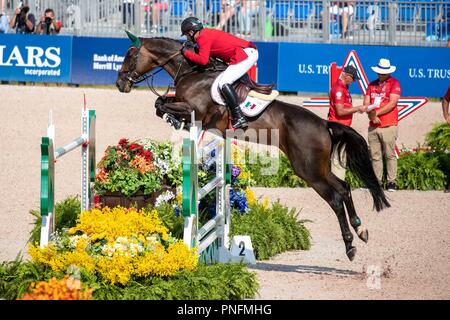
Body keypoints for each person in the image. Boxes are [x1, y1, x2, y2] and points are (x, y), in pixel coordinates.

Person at [180, 16, 257, 129]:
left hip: (245, 54)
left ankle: (239, 115)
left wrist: (186, 52)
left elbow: (203, 60)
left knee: (224, 83)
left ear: (192, 32)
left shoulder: (203, 37)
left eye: (187, 35)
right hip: (245, 52)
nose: (187, 38)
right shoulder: (205, 33)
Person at [364, 58, 401, 192]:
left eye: (383, 73)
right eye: (379, 72)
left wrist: (375, 114)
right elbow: (366, 103)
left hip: (389, 124)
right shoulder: (371, 84)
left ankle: (392, 182)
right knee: (375, 155)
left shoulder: (394, 83)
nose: (381, 74)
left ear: (388, 72)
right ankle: (377, 182)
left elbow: (392, 103)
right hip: (373, 126)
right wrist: (371, 114)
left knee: (389, 154)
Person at [328, 65, 367, 180]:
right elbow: (340, 112)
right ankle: (338, 183)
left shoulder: (343, 88)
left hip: (341, 126)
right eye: (353, 78)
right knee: (338, 157)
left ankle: (338, 182)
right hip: (338, 127)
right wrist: (358, 108)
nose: (354, 81)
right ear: (346, 76)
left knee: (340, 156)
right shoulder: (339, 89)